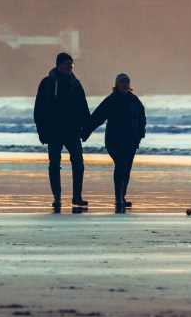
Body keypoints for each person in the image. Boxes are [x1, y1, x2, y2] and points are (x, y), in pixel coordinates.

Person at [33, 52, 90, 210]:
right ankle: (57, 197)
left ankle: (77, 196)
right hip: (54, 131)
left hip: (73, 131)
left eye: (71, 64)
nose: (70, 67)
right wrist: (41, 130)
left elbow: (83, 108)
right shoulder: (47, 83)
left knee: (78, 162)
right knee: (54, 163)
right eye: (66, 64)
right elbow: (39, 109)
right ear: (58, 65)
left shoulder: (76, 84)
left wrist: (86, 129)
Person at [84, 73, 146, 212]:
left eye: (127, 82)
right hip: (114, 141)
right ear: (116, 85)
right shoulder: (111, 100)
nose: (125, 84)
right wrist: (85, 131)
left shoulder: (134, 100)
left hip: (131, 142)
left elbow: (142, 118)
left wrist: (140, 134)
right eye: (122, 82)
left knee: (127, 169)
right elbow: (97, 117)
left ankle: (122, 197)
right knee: (121, 165)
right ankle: (118, 197)